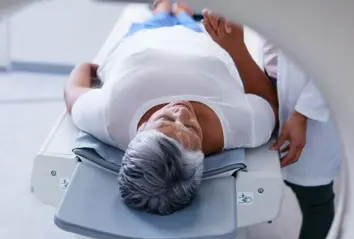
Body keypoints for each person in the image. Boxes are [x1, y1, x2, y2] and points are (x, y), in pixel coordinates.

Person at [63, 1, 278, 215]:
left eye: (165, 120)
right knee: (185, 16)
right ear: (201, 156)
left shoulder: (109, 118)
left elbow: (72, 91)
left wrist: (90, 68)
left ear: (141, 129)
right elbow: (269, 103)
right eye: (193, 129)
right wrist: (236, 48)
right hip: (202, 40)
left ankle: (164, 7)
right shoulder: (241, 127)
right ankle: (180, 11)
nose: (182, 112)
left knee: (158, 16)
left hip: (142, 39)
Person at [202, 9, 341, 239]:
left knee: (316, 201)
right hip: (273, 78)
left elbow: (339, 55)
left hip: (307, 97)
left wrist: (301, 115)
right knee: (269, 176)